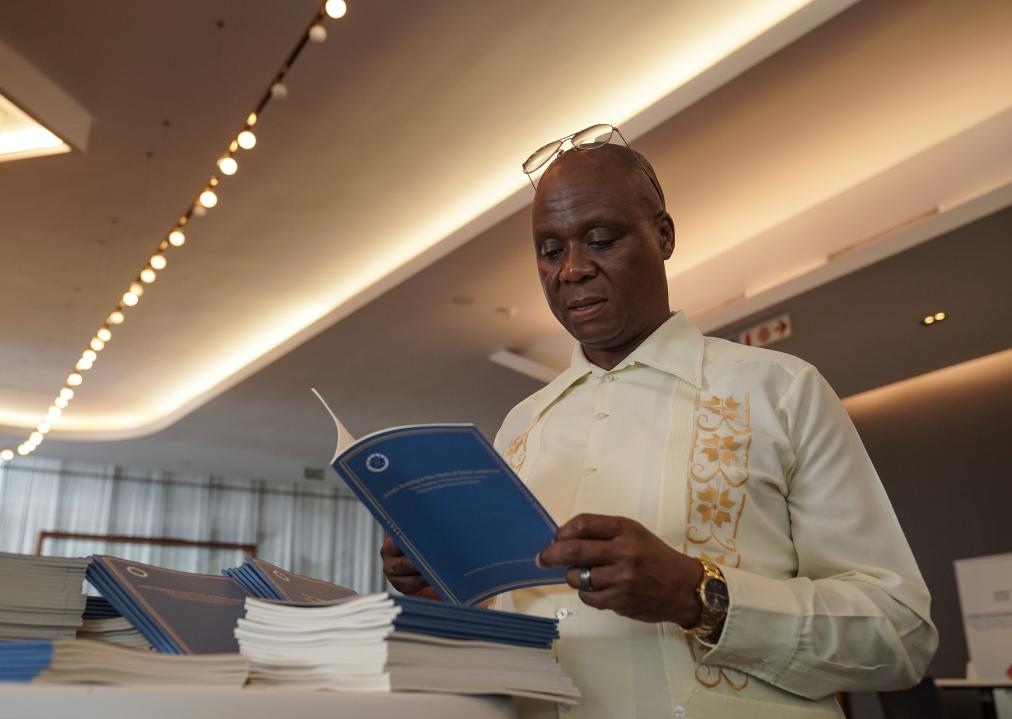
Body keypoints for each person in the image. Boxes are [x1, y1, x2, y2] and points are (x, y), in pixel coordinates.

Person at [382, 128, 937, 718]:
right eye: (550, 250)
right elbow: (512, 630)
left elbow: (899, 635)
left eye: (600, 239)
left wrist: (699, 595)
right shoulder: (520, 427)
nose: (572, 270)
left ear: (664, 235)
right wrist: (444, 588)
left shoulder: (780, 390)